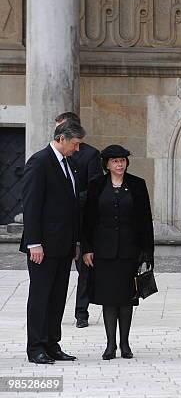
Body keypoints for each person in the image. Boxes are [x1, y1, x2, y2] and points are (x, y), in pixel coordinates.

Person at [20, 119, 84, 364]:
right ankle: (35, 346)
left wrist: (76, 241)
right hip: (43, 247)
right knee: (41, 296)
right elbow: (32, 205)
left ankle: (52, 344)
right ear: (62, 139)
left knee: (57, 297)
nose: (77, 149)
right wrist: (34, 242)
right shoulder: (40, 162)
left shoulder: (69, 164)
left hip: (63, 245)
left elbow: (72, 206)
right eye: (75, 144)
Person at [81, 145, 154, 360]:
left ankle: (125, 343)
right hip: (103, 251)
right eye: (115, 161)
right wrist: (87, 249)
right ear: (107, 164)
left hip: (129, 251)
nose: (119, 164)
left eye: (122, 160)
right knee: (108, 298)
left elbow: (145, 221)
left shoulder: (137, 185)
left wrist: (147, 252)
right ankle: (110, 344)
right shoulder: (96, 185)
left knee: (126, 298)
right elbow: (87, 221)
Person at [55, 112, 104, 329]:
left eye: (61, 127)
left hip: (82, 219)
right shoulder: (52, 156)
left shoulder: (90, 154)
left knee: (85, 268)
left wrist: (75, 199)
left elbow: (94, 187)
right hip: (60, 222)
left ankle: (81, 312)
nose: (57, 133)